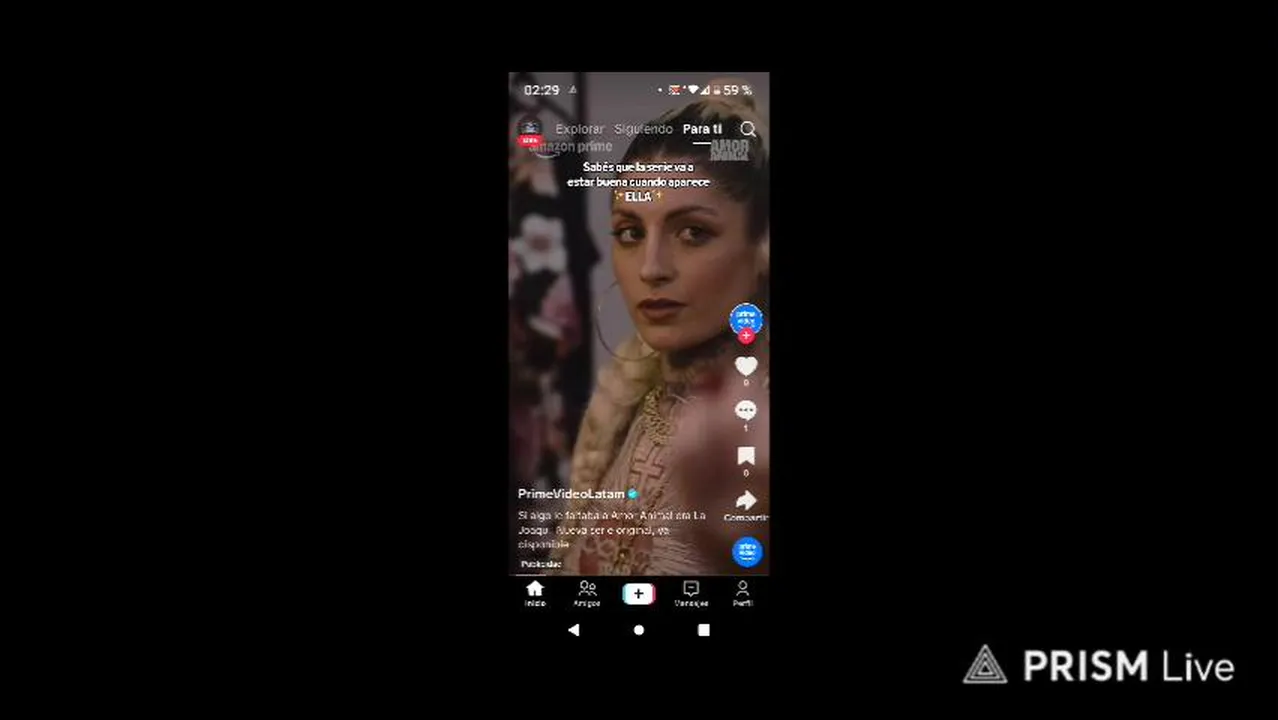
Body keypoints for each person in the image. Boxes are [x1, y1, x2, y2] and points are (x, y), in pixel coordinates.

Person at [550, 88, 770, 575]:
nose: (650, 268)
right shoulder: (622, 405)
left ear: (761, 246)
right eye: (631, 233)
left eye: (692, 232)